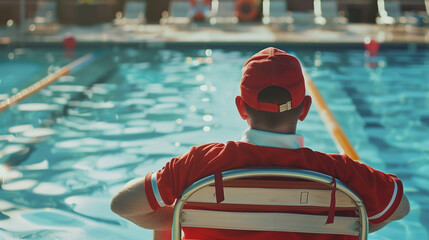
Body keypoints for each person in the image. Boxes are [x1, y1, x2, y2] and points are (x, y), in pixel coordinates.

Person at [111, 47, 410, 239]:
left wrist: (178, 214)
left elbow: (123, 205)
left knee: (171, 213)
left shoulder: (200, 163)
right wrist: (355, 221)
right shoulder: (340, 173)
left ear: (241, 107)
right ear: (305, 108)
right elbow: (400, 207)